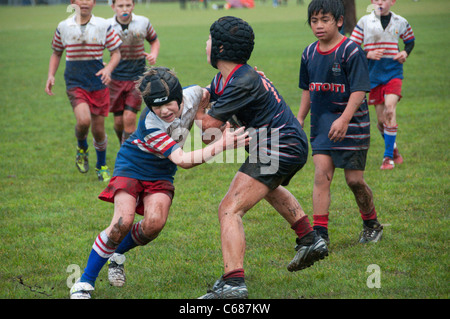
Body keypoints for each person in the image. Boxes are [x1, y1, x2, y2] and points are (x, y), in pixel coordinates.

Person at [69, 67, 250, 299]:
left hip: (161, 170)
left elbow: (218, 91)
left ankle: (116, 254)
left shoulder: (194, 94)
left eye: (168, 104)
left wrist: (250, 79)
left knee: (154, 224)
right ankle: (84, 283)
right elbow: (183, 161)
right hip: (133, 164)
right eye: (156, 106)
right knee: (123, 221)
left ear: (178, 97)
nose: (164, 111)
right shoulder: (151, 123)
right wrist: (221, 144)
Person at [197, 16, 329, 299]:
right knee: (266, 188)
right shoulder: (225, 79)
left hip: (280, 146)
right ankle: (310, 239)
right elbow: (217, 118)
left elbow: (208, 126)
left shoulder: (241, 81)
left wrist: (188, 110)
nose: (205, 44)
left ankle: (233, 283)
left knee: (229, 209)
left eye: (208, 40)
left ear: (220, 48)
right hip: (284, 144)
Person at [297, 0, 383, 246]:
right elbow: (307, 89)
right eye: (314, 21)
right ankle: (320, 236)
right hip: (322, 125)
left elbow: (359, 91)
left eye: (325, 20)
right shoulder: (309, 53)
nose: (319, 26)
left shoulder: (351, 51)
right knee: (321, 176)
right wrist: (300, 118)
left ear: (339, 21)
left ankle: (371, 223)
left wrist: (344, 119)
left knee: (354, 181)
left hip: (353, 125)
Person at [45, 0, 122, 182]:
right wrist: (51, 75)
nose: (85, 2)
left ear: (94, 3)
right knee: (83, 120)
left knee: (98, 130)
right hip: (75, 82)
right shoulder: (64, 26)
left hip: (98, 82)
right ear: (73, 3)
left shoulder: (103, 25)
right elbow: (57, 52)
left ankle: (101, 165)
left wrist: (108, 69)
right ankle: (82, 148)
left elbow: (116, 53)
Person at [350, 0, 415, 170]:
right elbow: (353, 47)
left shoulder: (400, 21)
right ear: (372, 2)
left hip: (394, 72)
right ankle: (393, 149)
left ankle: (387, 159)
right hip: (373, 75)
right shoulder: (364, 21)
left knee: (390, 109)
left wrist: (404, 53)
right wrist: (368, 53)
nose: (380, 2)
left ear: (392, 2)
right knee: (380, 121)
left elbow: (410, 41)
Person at [108, 0, 161, 145]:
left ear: (133, 6)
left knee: (129, 118)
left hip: (137, 77)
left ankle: (127, 153)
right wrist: (102, 64)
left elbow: (154, 41)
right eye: (120, 6)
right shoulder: (106, 26)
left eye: (128, 5)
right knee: (118, 122)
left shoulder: (143, 22)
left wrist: (153, 54)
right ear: (113, 7)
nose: (124, 9)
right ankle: (123, 146)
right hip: (115, 77)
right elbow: (95, 47)